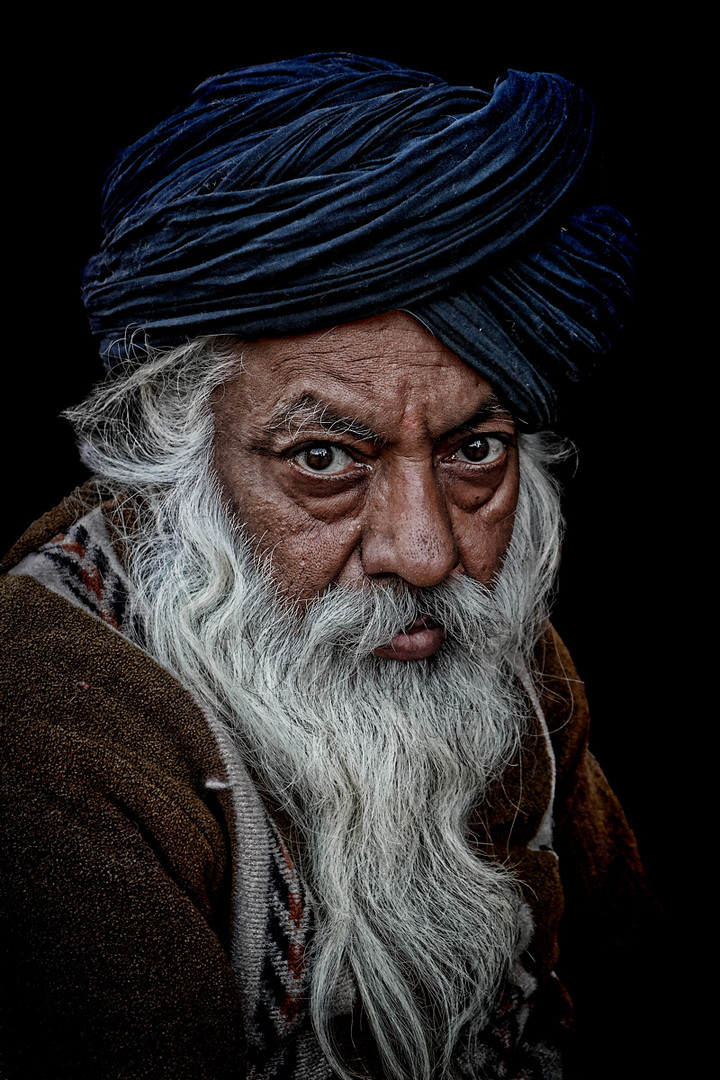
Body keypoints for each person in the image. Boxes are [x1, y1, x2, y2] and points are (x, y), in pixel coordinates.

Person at [1, 55, 662, 1079]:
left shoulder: (497, 652)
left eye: (475, 452)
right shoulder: (47, 719)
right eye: (323, 461)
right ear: (177, 464)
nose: (426, 549)